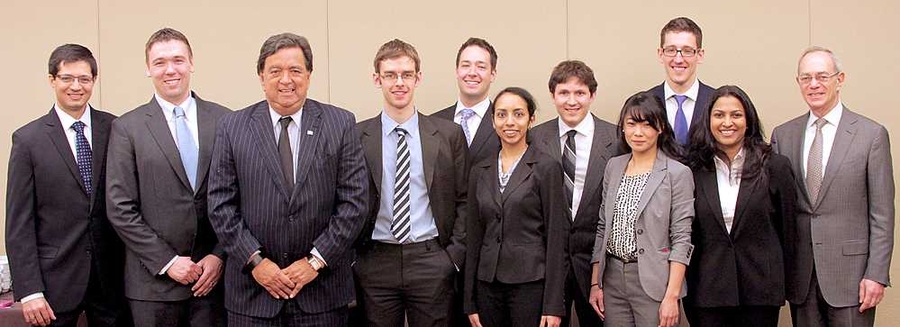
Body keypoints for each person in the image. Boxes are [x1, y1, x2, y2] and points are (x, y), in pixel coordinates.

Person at [207, 32, 369, 326]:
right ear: (260, 76)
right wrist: (256, 262)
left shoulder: (340, 123)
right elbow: (220, 205)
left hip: (322, 293)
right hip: (252, 295)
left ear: (309, 74)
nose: (286, 80)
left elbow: (354, 204)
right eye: (275, 71)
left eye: (295, 70)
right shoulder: (233, 127)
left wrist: (315, 262)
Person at [105, 27, 228, 326]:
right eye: (160, 62)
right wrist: (168, 262)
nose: (170, 69)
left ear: (192, 63)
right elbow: (120, 207)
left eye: (178, 60)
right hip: (153, 286)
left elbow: (241, 197)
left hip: (212, 283)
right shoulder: (127, 128)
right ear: (148, 69)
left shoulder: (225, 120)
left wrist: (219, 256)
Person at [6, 44, 131, 327]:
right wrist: (29, 290)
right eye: (67, 78)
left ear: (94, 81)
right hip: (53, 286)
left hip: (111, 283)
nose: (76, 86)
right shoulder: (28, 140)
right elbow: (19, 224)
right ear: (52, 80)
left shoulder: (116, 129)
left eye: (84, 79)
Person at [771, 46, 894, 327]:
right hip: (801, 276)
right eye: (806, 78)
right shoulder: (783, 135)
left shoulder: (871, 135)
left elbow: (883, 214)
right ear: (798, 82)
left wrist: (876, 274)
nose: (814, 84)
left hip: (852, 277)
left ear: (840, 79)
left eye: (822, 76)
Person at [353, 38, 468, 327]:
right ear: (377, 79)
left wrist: (452, 257)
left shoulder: (448, 135)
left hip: (430, 259)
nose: (399, 82)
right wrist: (356, 261)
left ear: (418, 78)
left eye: (406, 74)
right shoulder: (356, 136)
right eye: (390, 75)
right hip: (375, 261)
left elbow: (464, 199)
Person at [683, 85, 797, 326]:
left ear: (748, 121)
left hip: (760, 290)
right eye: (719, 115)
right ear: (708, 121)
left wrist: (785, 284)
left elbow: (788, 231)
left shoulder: (775, 166)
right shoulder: (692, 169)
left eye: (736, 115)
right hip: (706, 290)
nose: (727, 122)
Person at [465, 87, 569, 327]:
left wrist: (553, 305)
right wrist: (469, 300)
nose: (509, 122)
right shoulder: (480, 170)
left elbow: (556, 238)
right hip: (487, 285)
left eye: (518, 114)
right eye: (501, 115)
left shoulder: (546, 167)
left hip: (530, 283)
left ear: (531, 119)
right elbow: (473, 236)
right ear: (492, 121)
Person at [588, 91, 694, 327]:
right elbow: (603, 227)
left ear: (660, 129)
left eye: (647, 125)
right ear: (623, 127)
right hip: (613, 279)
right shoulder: (614, 167)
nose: (638, 132)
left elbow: (682, 238)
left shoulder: (677, 173)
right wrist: (596, 283)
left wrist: (672, 296)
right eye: (632, 124)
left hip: (655, 282)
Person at [530, 60, 621, 327]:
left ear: (592, 95)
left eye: (580, 93)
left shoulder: (615, 140)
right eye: (564, 93)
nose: (572, 101)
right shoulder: (534, 138)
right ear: (552, 95)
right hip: (546, 265)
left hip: (595, 267)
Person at [431, 37, 501, 167]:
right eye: (465, 65)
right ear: (457, 71)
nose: (472, 73)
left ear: (492, 74)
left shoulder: (503, 124)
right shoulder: (433, 124)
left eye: (481, 67)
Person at [647, 17, 715, 145]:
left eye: (687, 51)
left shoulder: (717, 102)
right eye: (671, 50)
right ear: (660, 54)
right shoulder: (645, 103)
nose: (678, 59)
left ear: (700, 55)